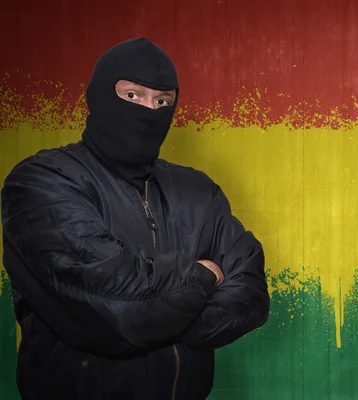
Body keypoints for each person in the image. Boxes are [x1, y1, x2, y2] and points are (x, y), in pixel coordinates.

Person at [1, 37, 270, 399]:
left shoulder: (198, 190)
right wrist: (204, 275)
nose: (149, 109)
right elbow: (110, 304)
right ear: (98, 96)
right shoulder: (42, 181)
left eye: (162, 102)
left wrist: (163, 319)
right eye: (132, 96)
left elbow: (250, 293)